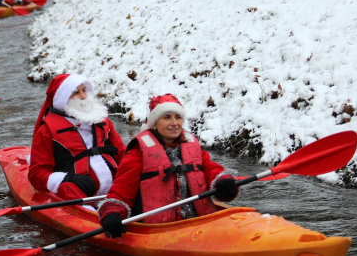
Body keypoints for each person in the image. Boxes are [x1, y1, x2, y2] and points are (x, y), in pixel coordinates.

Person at [98, 94, 240, 239]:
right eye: (167, 117)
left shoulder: (192, 146)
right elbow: (121, 191)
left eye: (178, 117)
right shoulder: (138, 153)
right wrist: (112, 213)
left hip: (199, 223)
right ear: (154, 123)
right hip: (159, 230)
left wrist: (223, 181)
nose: (174, 123)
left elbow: (212, 170)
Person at [28, 74, 127, 201]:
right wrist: (67, 178)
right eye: (76, 92)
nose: (83, 96)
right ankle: (87, 213)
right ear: (63, 99)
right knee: (68, 188)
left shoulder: (101, 119)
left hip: (114, 188)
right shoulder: (47, 130)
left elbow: (123, 154)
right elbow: (36, 175)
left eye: (84, 90)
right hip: (78, 192)